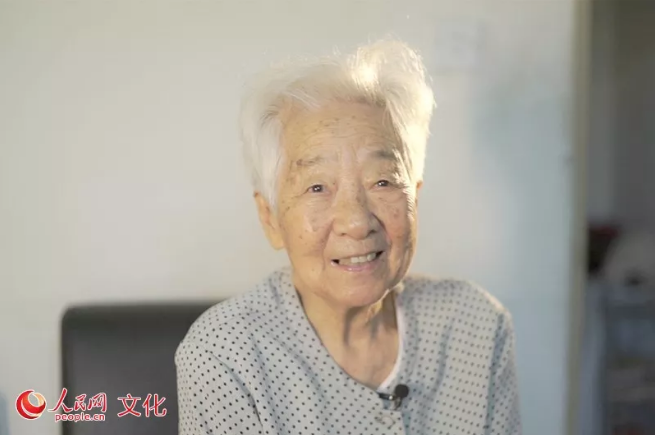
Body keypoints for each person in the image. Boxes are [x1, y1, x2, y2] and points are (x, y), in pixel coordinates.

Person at [175, 39, 521, 435]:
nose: (357, 222)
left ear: (415, 197)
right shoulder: (224, 355)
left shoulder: (476, 326)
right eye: (317, 187)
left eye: (382, 181)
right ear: (270, 218)